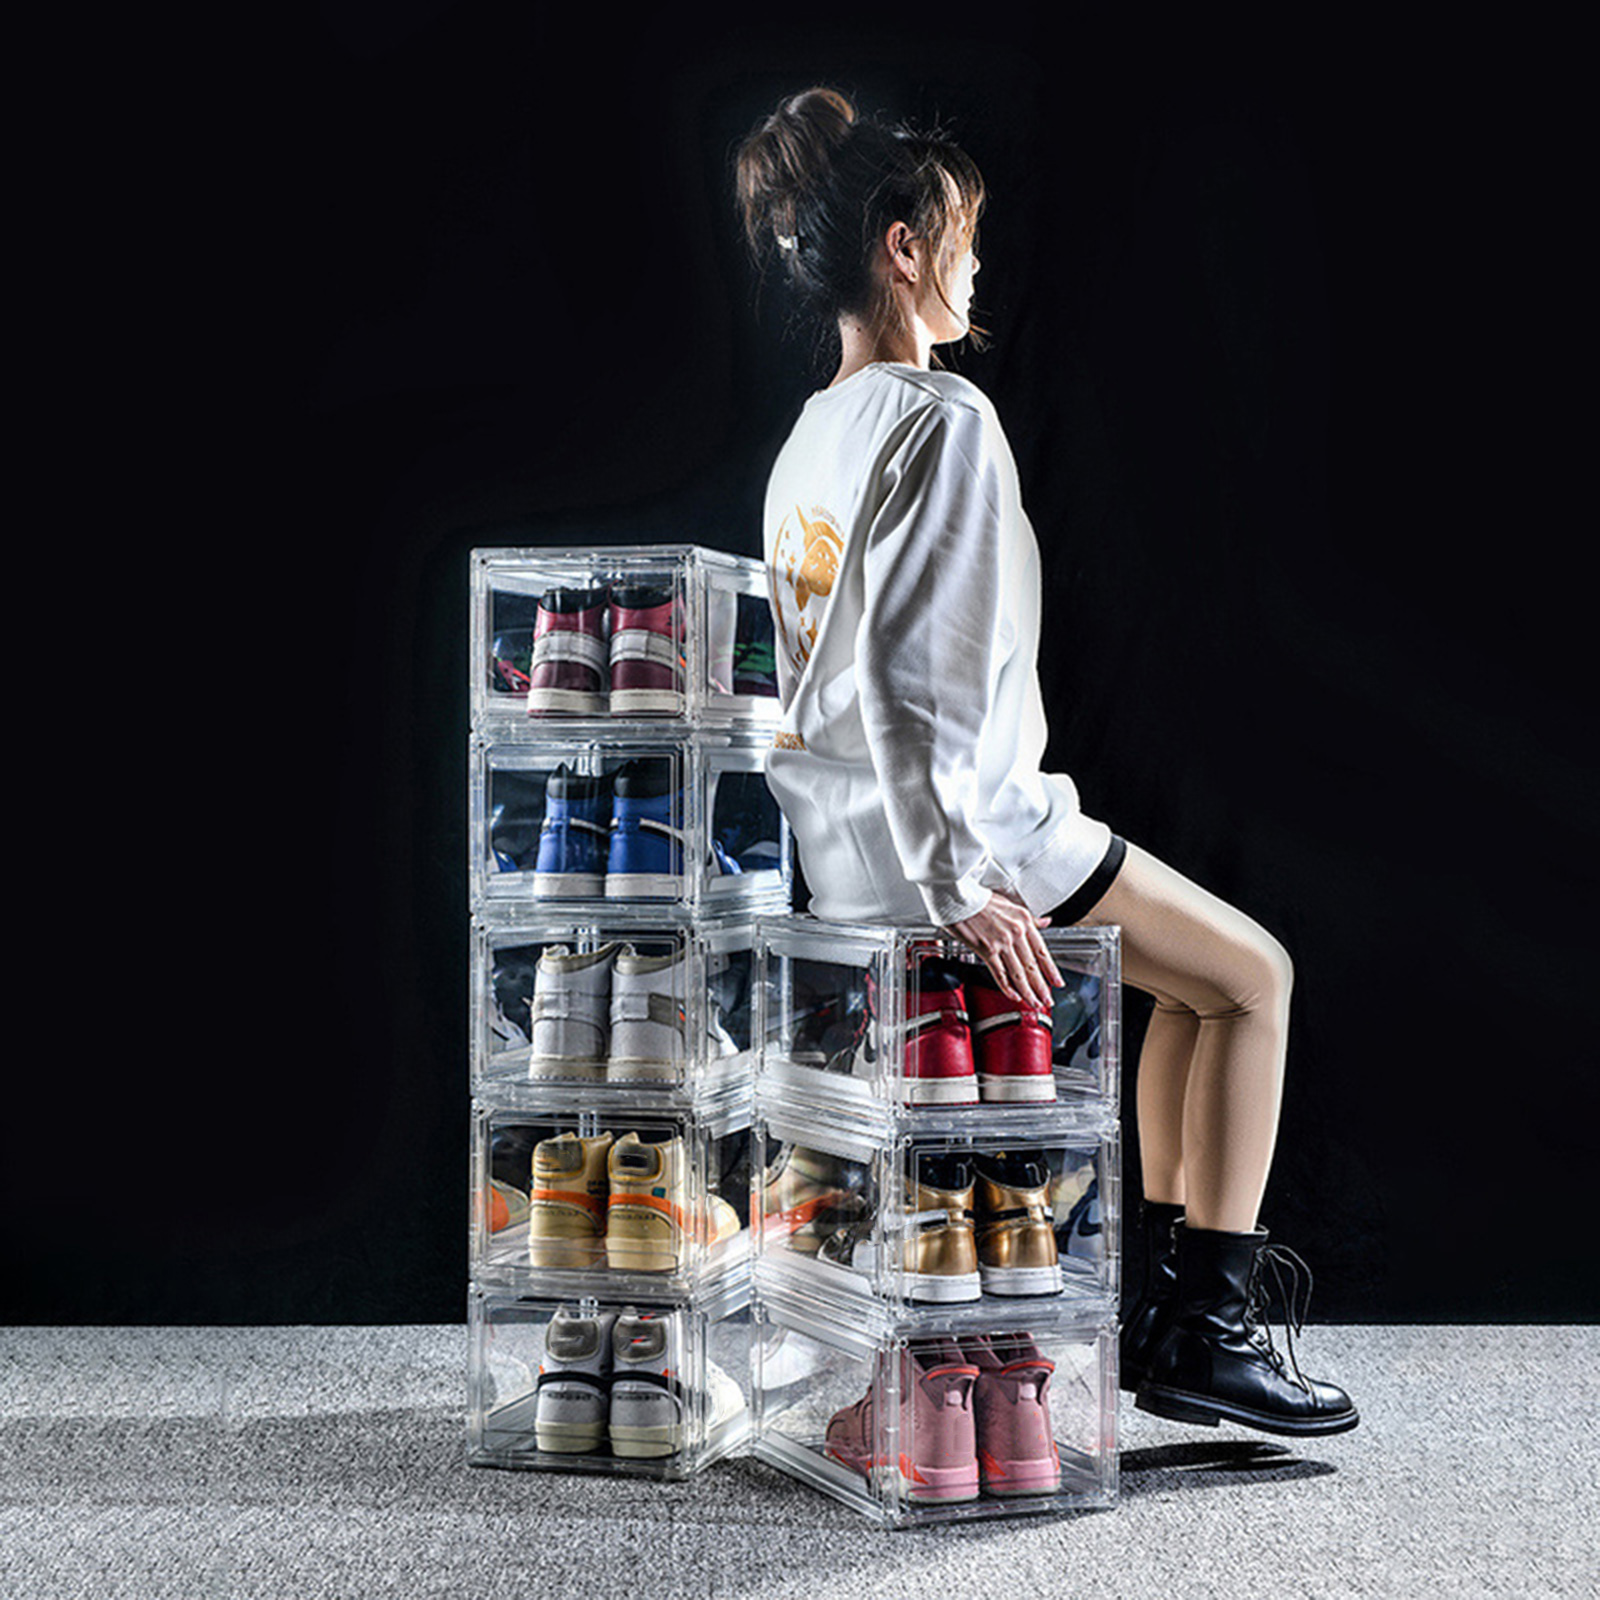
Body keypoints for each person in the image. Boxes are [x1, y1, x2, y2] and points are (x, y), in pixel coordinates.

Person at [735, 86, 1357, 1437]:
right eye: (961, 240)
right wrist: (956, 884)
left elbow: (825, 686)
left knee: (1190, 993)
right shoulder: (941, 417)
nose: (976, 267)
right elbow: (911, 681)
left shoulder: (807, 440)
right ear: (903, 247)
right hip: (977, 834)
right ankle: (1206, 1329)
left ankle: (1169, 1316)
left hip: (850, 852)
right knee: (1256, 981)